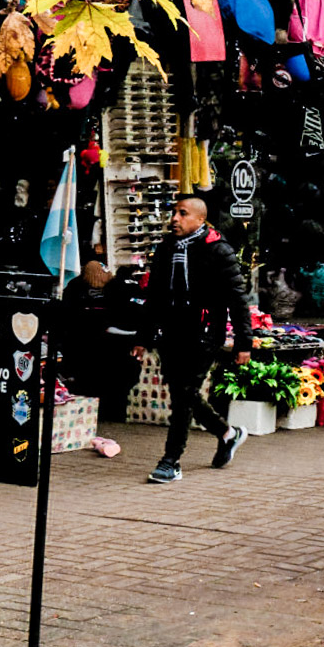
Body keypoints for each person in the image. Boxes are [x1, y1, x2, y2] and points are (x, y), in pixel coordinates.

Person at [137, 197, 251, 485]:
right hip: (172, 332)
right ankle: (227, 434)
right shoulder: (165, 249)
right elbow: (154, 297)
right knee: (182, 391)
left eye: (182, 214)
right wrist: (143, 336)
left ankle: (171, 460)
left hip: (203, 333)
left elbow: (237, 299)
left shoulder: (217, 250)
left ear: (200, 219)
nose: (174, 218)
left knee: (184, 393)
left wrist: (243, 342)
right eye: (173, 213)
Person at [60, 260, 143, 423]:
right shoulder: (78, 288)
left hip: (104, 346)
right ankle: (109, 416)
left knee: (109, 381)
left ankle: (104, 416)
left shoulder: (115, 286)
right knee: (109, 382)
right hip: (99, 346)